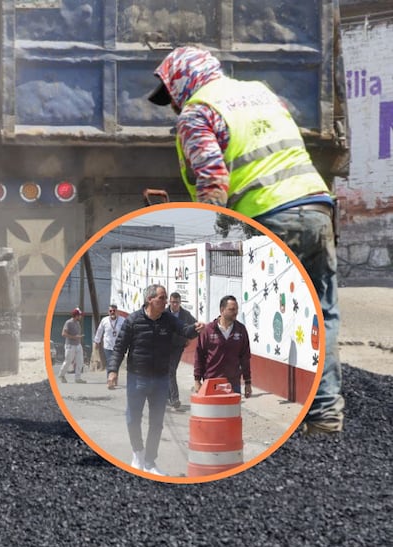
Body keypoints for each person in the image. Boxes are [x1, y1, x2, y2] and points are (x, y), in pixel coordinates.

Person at [147, 46, 343, 435]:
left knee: (242, 316)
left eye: (171, 96)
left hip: (268, 217)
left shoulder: (197, 112)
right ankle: (324, 415)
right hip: (316, 209)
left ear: (185, 82)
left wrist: (210, 230)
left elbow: (212, 177)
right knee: (322, 314)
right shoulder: (262, 93)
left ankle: (228, 411)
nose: (172, 106)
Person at [107, 285, 203, 475]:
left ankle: (150, 462)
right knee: (133, 418)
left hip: (160, 380)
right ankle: (138, 454)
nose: (165, 301)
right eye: (162, 298)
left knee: (157, 422)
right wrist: (112, 371)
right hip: (137, 378)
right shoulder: (133, 321)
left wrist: (195, 329)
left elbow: (184, 330)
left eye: (166, 298)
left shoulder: (168, 319)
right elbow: (119, 348)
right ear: (150, 299)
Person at [194, 295, 252, 397]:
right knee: (212, 413)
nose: (235, 312)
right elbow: (199, 355)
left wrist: (248, 382)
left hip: (233, 383)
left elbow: (245, 358)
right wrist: (197, 380)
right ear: (222, 310)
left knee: (232, 413)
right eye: (232, 309)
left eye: (236, 309)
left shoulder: (241, 330)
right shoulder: (208, 330)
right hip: (211, 383)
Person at [165, 292, 197, 409]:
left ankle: (172, 398)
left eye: (177, 302)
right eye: (172, 302)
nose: (174, 304)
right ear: (169, 302)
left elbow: (195, 326)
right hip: (164, 346)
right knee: (167, 371)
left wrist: (189, 337)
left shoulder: (185, 315)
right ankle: (170, 398)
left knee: (170, 371)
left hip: (177, 347)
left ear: (180, 303)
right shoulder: (164, 313)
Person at [93, 304, 125, 386]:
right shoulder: (104, 320)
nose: (112, 312)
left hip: (119, 346)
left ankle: (114, 378)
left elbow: (126, 332)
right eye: (110, 311)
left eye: (114, 311)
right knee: (110, 363)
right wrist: (97, 341)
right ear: (108, 312)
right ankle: (110, 380)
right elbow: (99, 331)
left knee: (116, 363)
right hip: (108, 346)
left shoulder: (122, 320)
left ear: (116, 311)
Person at [58, 308, 86, 384]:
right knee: (68, 361)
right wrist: (75, 337)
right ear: (76, 315)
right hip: (70, 345)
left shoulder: (77, 323)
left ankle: (78, 378)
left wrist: (79, 337)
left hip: (78, 345)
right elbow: (63, 334)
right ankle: (61, 375)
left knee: (80, 361)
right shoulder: (68, 322)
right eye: (80, 315)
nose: (81, 317)